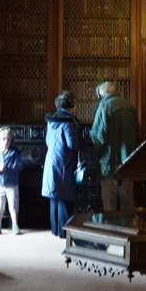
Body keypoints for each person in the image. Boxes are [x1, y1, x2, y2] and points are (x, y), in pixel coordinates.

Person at [91, 80, 140, 211]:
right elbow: (137, 130)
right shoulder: (130, 106)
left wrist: (95, 152)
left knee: (109, 203)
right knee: (127, 200)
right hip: (128, 162)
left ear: (101, 95)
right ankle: (130, 224)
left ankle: (110, 225)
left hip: (109, 163)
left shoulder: (104, 107)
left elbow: (98, 137)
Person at [42, 90, 84, 238]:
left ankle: (55, 230)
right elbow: (73, 144)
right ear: (71, 105)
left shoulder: (52, 120)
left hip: (52, 161)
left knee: (55, 197)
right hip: (65, 163)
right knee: (65, 198)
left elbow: (48, 142)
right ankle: (64, 232)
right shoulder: (68, 121)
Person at [0, 126, 22, 234]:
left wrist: (7, 167)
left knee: (13, 204)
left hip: (12, 184)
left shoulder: (15, 153)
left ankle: (15, 225)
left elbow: (19, 166)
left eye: (8, 139)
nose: (6, 141)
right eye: (4, 139)